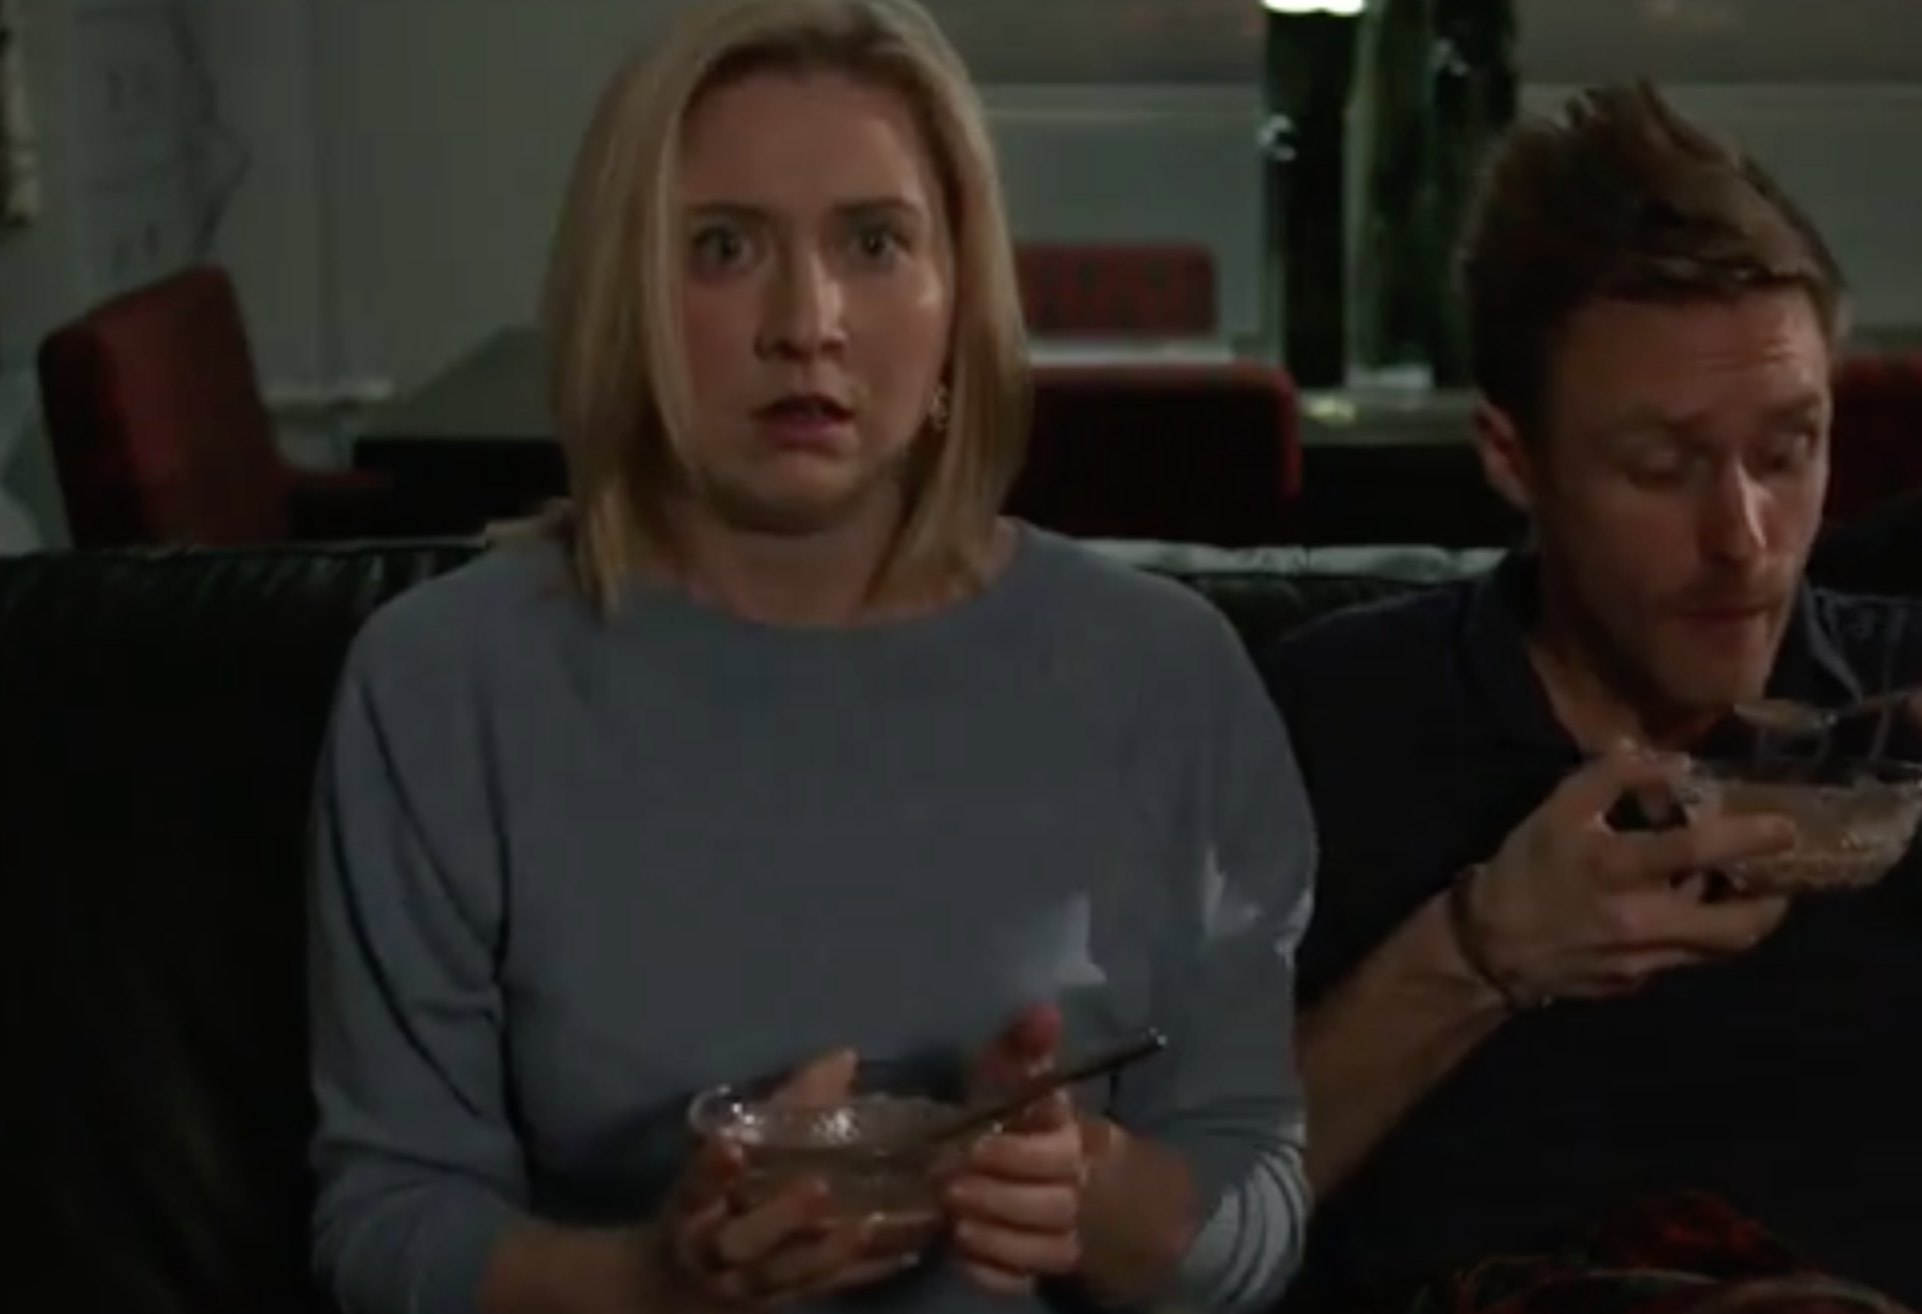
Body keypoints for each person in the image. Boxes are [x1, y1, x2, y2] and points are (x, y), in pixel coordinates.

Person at [305, 3, 1313, 1313]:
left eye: (874, 242)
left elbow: (1254, 1219)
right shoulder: (442, 682)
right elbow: (386, 1226)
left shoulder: (1163, 674)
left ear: (958, 299)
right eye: (723, 248)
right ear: (626, 296)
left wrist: (1088, 1188)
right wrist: (653, 1282)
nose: (806, 321)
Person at [1267, 83, 1922, 1314]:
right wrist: (1475, 955)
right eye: (1659, 466)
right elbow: (1176, 1237)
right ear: (1509, 457)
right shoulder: (1337, 720)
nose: (1742, 540)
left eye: (1786, 452)